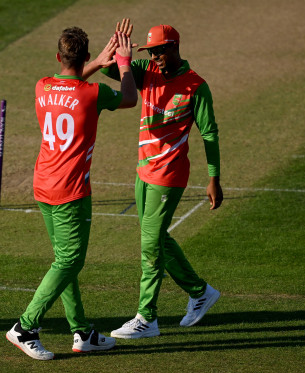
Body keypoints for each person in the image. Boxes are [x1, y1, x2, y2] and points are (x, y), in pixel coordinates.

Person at [85, 20, 223, 339]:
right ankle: (200, 291)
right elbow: (113, 73)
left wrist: (214, 178)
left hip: (170, 175)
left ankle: (147, 318)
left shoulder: (195, 86)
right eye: (151, 51)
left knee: (150, 242)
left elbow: (210, 133)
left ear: (174, 47)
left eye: (159, 50)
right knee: (155, 237)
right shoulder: (147, 71)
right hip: (143, 171)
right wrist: (117, 54)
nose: (155, 56)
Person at [5, 27, 137, 359]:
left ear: (57, 58)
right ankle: (25, 327)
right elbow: (130, 98)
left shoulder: (42, 86)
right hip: (70, 189)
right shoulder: (93, 94)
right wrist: (122, 63)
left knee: (66, 260)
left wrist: (90, 66)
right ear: (86, 57)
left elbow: (67, 85)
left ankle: (81, 332)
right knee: (69, 259)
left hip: (42, 183)